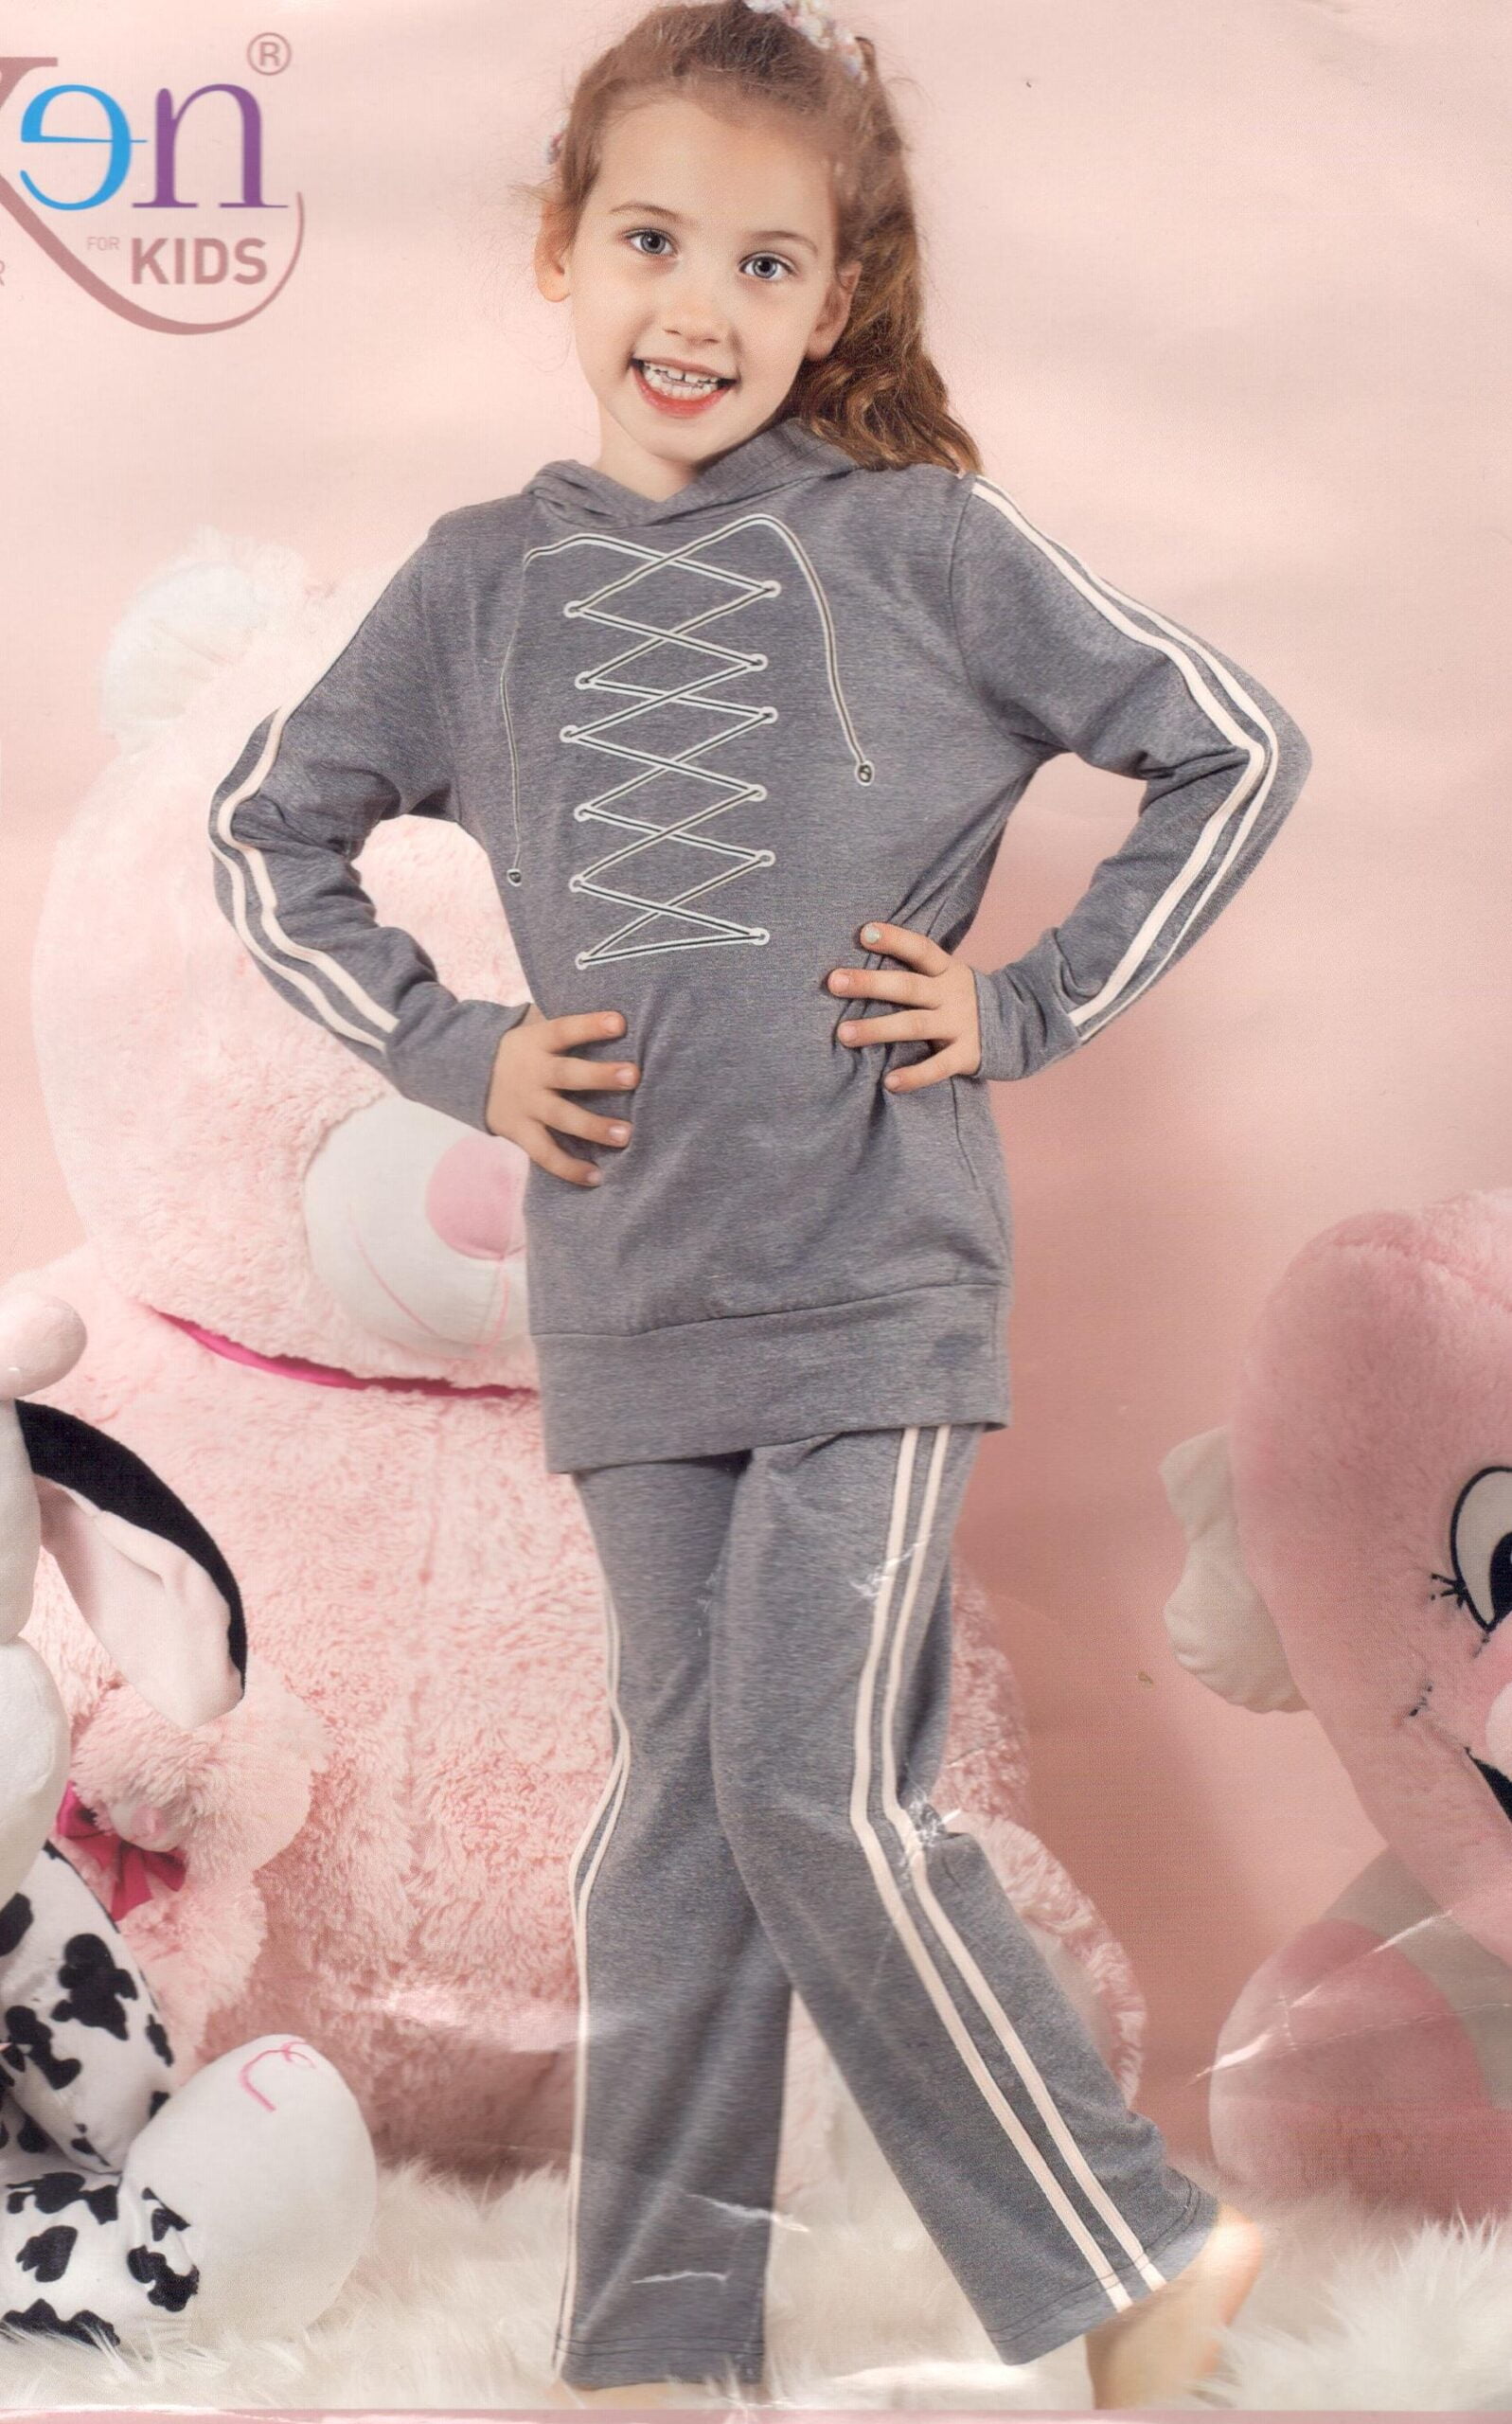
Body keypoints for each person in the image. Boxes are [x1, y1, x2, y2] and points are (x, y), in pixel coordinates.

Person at [207, 0, 1311, 2403]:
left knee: (816, 1786)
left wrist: (1025, 1002)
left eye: (763, 260)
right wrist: (455, 1048)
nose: (696, 305)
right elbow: (264, 834)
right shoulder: (475, 584)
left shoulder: (917, 547)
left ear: (837, 294)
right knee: (679, 1827)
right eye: (649, 240)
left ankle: (1136, 2254)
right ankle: (657, 2333)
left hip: (871, 1285)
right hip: (630, 1305)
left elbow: (1231, 746)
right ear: (561, 249)